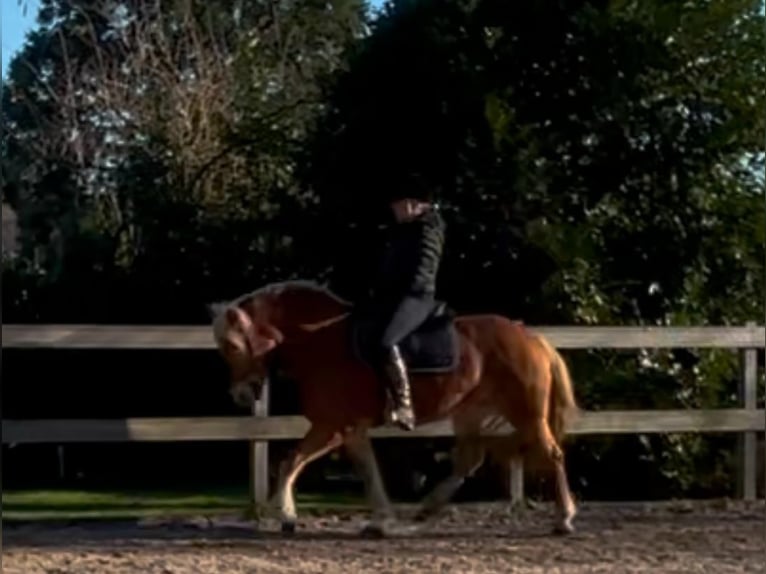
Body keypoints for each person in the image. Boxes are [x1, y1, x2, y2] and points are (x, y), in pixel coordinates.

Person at [366, 189, 446, 431]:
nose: (395, 212)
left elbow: (424, 268)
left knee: (387, 341)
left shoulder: (428, 229)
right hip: (397, 297)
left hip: (417, 296)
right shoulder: (403, 231)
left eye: (398, 207)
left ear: (413, 204)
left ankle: (404, 405)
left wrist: (400, 291)